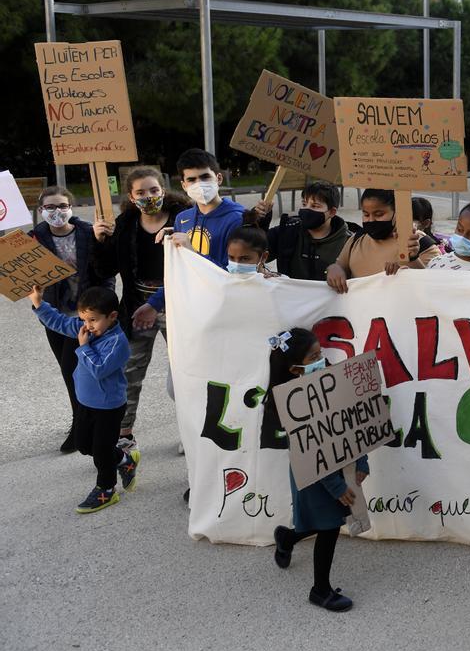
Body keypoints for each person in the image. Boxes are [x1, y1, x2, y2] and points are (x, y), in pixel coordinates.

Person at [267, 327, 368, 612]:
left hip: (336, 467)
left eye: (320, 353)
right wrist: (336, 487)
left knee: (322, 520)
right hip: (313, 477)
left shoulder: (331, 381)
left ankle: (287, 537)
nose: (321, 360)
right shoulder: (291, 403)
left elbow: (355, 422)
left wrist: (361, 461)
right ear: (293, 368)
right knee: (329, 526)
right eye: (313, 356)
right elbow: (309, 452)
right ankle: (320, 590)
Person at [91, 167, 190, 450]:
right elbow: (105, 269)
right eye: (141, 192)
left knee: (185, 374)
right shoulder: (125, 223)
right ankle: (124, 435)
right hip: (137, 310)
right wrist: (100, 242)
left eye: (154, 190)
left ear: (164, 189)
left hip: (179, 308)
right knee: (129, 374)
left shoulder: (184, 219)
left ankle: (190, 430)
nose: (149, 196)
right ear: (131, 197)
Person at [134, 149, 271, 332]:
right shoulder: (183, 219)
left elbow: (235, 274)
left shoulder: (237, 219)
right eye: (191, 179)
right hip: (191, 311)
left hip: (224, 312)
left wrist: (193, 252)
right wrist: (154, 304)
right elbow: (179, 273)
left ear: (218, 178)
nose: (199, 184)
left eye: (205, 177)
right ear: (183, 185)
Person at [30, 284, 137, 513]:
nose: (86, 326)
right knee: (83, 444)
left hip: (108, 407)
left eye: (93, 320)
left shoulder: (118, 343)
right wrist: (39, 303)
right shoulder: (86, 328)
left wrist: (83, 347)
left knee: (100, 451)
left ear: (112, 316)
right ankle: (123, 460)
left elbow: (99, 368)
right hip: (85, 402)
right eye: (83, 320)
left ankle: (106, 490)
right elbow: (59, 322)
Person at [31, 186, 113, 452]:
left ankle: (83, 425)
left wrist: (104, 303)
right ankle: (82, 421)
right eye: (51, 207)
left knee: (80, 372)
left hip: (86, 316)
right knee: (69, 372)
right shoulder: (35, 239)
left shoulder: (89, 233)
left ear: (72, 208)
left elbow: (105, 271)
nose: (57, 212)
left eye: (63, 206)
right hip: (54, 316)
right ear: (41, 210)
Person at [326, 189, 435, 293]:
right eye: (366, 214)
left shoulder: (420, 242)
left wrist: (412, 260)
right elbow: (340, 265)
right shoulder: (357, 238)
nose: (371, 220)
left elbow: (433, 288)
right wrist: (333, 268)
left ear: (397, 213)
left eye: (379, 214)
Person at [264, 181, 358, 280]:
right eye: (304, 204)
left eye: (315, 206)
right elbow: (255, 252)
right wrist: (259, 223)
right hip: (292, 294)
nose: (307, 209)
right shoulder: (288, 230)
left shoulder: (348, 241)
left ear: (332, 212)